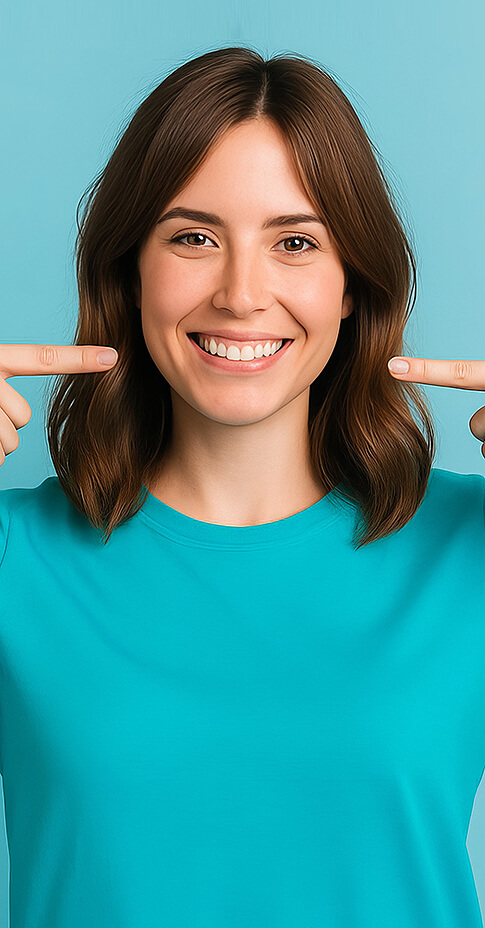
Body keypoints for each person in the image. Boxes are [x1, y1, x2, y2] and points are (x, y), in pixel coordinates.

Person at [0, 46, 484, 928]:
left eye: (295, 242)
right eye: (193, 238)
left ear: (351, 288)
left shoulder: (470, 548)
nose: (240, 293)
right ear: (130, 272)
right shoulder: (12, 558)